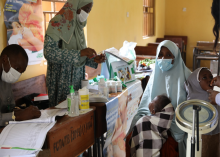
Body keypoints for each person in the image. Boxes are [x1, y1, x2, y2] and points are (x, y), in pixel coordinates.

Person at [128, 40, 191, 157]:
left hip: (178, 129)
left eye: (168, 55)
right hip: (154, 125)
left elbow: (190, 110)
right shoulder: (154, 77)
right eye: (160, 55)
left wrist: (170, 127)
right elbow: (144, 107)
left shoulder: (187, 76)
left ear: (175, 57)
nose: (163, 58)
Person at [44, 0, 105, 106]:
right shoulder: (56, 24)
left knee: (76, 112)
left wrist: (93, 59)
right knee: (62, 114)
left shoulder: (78, 27)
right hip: (61, 79)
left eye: (89, 11)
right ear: (76, 6)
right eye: (85, 9)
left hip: (77, 80)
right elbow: (49, 52)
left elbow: (80, 55)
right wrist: (80, 53)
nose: (87, 13)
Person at [0, 44, 41, 127]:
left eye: (20, 72)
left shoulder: (6, 77)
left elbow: (10, 108)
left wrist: (25, 112)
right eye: (17, 68)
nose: (17, 75)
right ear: (4, 59)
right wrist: (17, 116)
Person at [185, 67, 220, 157]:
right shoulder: (191, 104)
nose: (210, 80)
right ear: (195, 82)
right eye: (204, 77)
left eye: (211, 77)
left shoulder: (215, 98)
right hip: (199, 139)